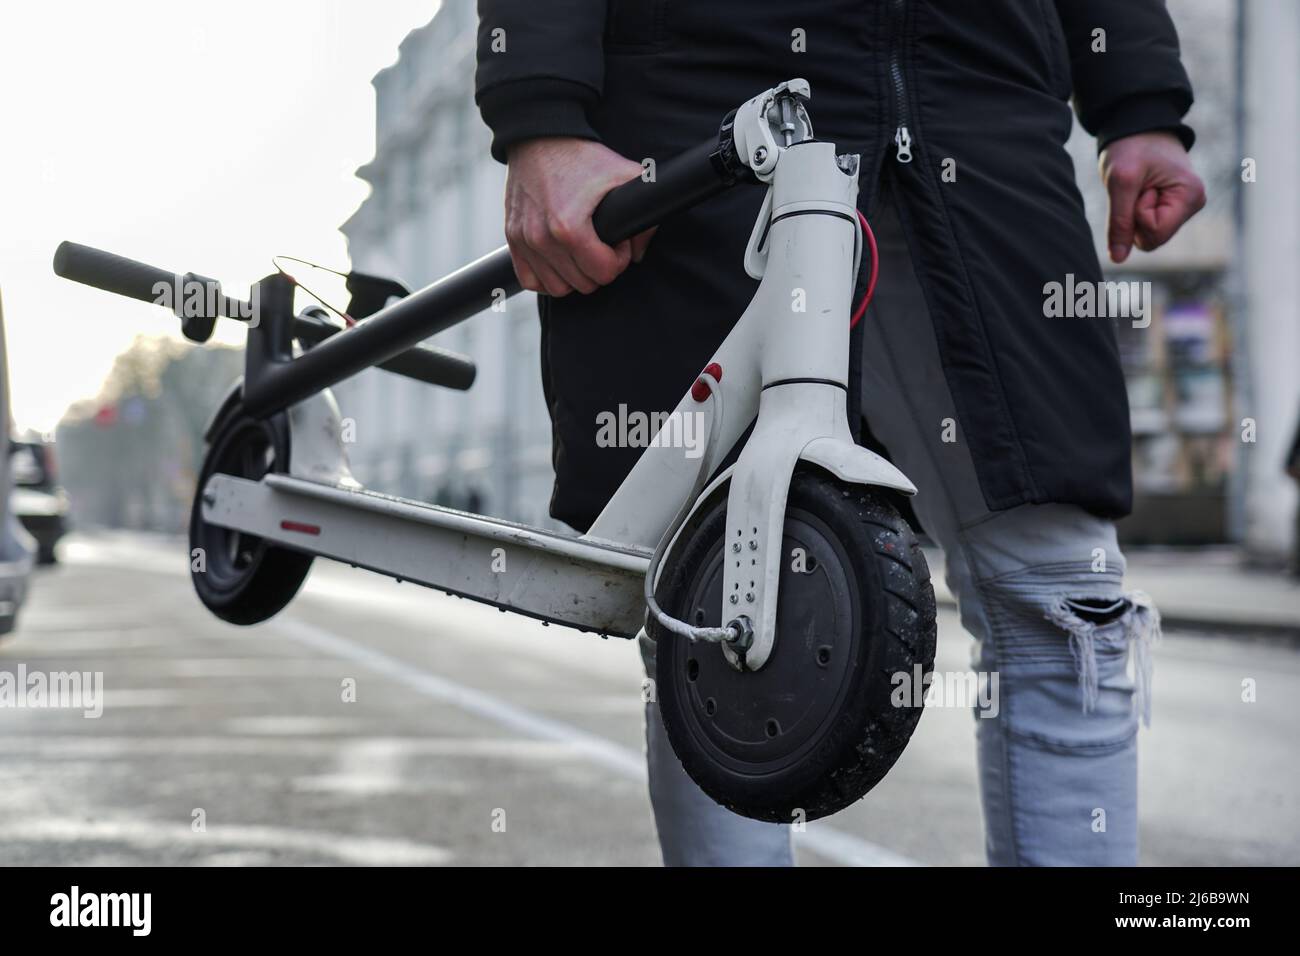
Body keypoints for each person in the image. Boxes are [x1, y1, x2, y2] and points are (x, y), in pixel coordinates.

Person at [475, 0, 1205, 865]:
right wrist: (540, 114)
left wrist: (1140, 103)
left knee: (1066, 599)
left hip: (984, 94)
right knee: (727, 609)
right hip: (705, 81)